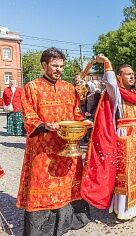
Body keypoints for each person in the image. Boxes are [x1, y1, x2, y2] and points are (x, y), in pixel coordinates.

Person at [17, 47, 91, 235]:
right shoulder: (32, 87)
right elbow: (28, 117)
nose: (59, 69)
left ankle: (68, 221)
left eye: (61, 66)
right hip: (43, 148)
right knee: (42, 183)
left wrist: (83, 122)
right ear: (44, 65)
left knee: (68, 181)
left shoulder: (68, 88)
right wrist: (44, 125)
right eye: (55, 65)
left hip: (67, 147)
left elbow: (75, 113)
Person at [81, 55, 136, 220]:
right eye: (128, 74)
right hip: (124, 135)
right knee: (125, 172)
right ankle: (124, 208)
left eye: (133, 74)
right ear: (119, 77)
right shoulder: (117, 94)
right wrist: (107, 62)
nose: (132, 76)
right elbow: (110, 83)